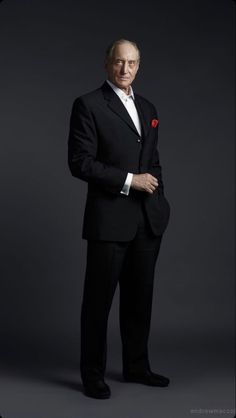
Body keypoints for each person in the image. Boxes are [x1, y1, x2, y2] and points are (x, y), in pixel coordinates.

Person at [68, 38, 170, 399]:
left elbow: (152, 160)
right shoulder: (89, 105)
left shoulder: (148, 106)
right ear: (107, 63)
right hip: (109, 221)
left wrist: (159, 199)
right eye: (118, 62)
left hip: (147, 221)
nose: (125, 69)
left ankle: (137, 367)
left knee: (140, 299)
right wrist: (130, 181)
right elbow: (79, 162)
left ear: (139, 65)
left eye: (132, 63)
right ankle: (92, 374)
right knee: (98, 302)